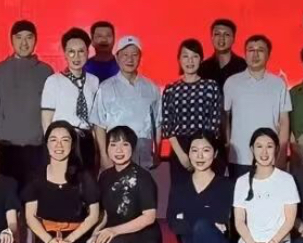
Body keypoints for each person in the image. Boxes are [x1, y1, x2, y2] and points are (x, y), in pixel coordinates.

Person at [0, 20, 53, 191]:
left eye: (29, 37)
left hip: (37, 150)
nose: (24, 43)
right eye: (19, 37)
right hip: (5, 149)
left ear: (35, 40)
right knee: (7, 198)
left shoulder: (46, 72)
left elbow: (52, 112)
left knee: (35, 198)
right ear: (11, 40)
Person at [23, 121, 101, 243]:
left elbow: (94, 216)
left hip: (76, 238)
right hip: (46, 238)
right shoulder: (36, 177)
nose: (59, 145)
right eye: (53, 140)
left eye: (65, 140)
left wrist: (69, 240)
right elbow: (30, 216)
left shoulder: (84, 177)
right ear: (46, 144)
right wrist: (48, 240)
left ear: (72, 145)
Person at [86, 126, 163, 243]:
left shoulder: (143, 177)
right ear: (107, 148)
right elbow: (106, 213)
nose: (119, 150)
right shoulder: (104, 176)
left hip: (142, 236)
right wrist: (95, 232)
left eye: (125, 144)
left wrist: (114, 231)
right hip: (113, 231)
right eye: (113, 145)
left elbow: (149, 217)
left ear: (132, 148)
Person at [229, 129, 299, 243]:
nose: (264, 152)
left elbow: (289, 220)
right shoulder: (242, 182)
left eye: (269, 146)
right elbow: (239, 221)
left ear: (277, 149)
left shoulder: (286, 180)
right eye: (259, 146)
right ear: (252, 149)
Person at [223, 35, 291, 177]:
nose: (255, 54)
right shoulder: (232, 82)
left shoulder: (278, 84)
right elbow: (225, 119)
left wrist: (281, 155)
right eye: (250, 50)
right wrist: (228, 146)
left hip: (269, 157)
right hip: (239, 158)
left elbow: (284, 121)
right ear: (245, 53)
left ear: (268, 55)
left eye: (260, 50)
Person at [168, 132, 234, 243]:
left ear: (215, 154)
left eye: (206, 150)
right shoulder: (180, 187)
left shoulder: (227, 186)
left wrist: (188, 218)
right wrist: (207, 220)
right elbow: (173, 223)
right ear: (188, 154)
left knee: (203, 228)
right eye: (194, 150)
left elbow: (222, 221)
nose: (199, 156)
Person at [91, 36, 163, 170]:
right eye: (125, 55)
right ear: (117, 57)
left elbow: (158, 123)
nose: (130, 59)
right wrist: (104, 156)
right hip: (117, 150)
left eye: (134, 55)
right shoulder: (106, 87)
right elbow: (99, 125)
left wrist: (157, 152)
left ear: (140, 57)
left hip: (143, 150)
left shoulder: (151, 87)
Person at [162, 39, 224, 193]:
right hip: (180, 149)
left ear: (201, 59)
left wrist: (203, 152)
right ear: (179, 59)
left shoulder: (211, 86)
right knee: (181, 193)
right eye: (185, 56)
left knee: (207, 193)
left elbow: (215, 123)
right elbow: (168, 126)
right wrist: (182, 155)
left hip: (205, 146)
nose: (190, 61)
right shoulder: (171, 89)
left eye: (194, 56)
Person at [41, 27, 101, 176]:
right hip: (64, 140)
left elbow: (96, 119)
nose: (76, 56)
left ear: (88, 53)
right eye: (71, 52)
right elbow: (46, 119)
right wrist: (51, 146)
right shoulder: (53, 81)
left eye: (81, 51)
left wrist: (97, 147)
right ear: (65, 54)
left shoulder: (94, 81)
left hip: (87, 139)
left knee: (88, 181)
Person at [199, 18, 247, 88]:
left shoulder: (244, 66)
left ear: (233, 38)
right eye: (217, 34)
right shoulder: (202, 68)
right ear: (212, 38)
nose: (221, 38)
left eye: (226, 34)